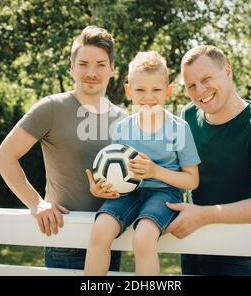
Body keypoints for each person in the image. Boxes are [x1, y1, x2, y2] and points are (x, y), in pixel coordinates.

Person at [0, 25, 127, 270]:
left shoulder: (123, 118)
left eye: (99, 64)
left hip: (112, 241)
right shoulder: (51, 108)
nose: (91, 72)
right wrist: (37, 203)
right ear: (71, 67)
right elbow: (4, 156)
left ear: (111, 69)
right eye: (84, 64)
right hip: (65, 239)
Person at [165, 45, 251, 276]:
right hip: (193, 244)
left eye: (206, 78)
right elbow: (176, 171)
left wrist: (204, 216)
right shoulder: (187, 116)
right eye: (191, 85)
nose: (200, 90)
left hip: (240, 250)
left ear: (228, 72)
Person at [84, 51, 201, 275]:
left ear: (168, 91)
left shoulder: (179, 128)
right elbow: (113, 170)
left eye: (156, 90)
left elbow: (192, 180)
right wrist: (101, 187)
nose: (148, 97)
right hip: (128, 194)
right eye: (140, 90)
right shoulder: (121, 128)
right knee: (100, 230)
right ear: (129, 91)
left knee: (144, 237)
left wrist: (155, 171)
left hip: (164, 194)